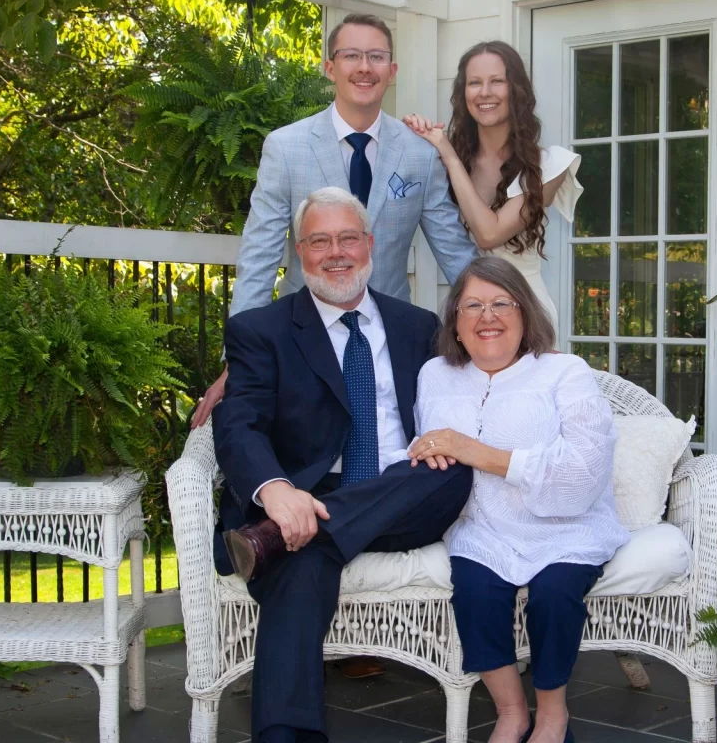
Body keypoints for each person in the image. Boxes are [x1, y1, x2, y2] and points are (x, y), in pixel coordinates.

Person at [212, 187, 473, 743]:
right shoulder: (261, 331)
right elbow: (238, 425)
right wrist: (276, 491)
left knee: (453, 470)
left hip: (404, 495)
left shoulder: (417, 326)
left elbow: (468, 394)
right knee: (301, 568)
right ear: (299, 251)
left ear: (370, 245)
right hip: (301, 497)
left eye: (348, 238)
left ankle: (275, 539)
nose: (336, 252)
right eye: (319, 241)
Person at [191, 12, 476, 428]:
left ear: (391, 70)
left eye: (377, 57)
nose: (364, 67)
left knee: (389, 447)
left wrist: (500, 318)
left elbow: (454, 252)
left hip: (387, 339)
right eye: (351, 56)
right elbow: (260, 255)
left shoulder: (419, 154)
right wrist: (239, 358)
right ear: (330, 67)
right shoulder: (285, 148)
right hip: (302, 337)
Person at [405, 256, 628, 743]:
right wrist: (430, 453)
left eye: (502, 303)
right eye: (473, 306)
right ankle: (511, 713)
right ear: (456, 325)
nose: (488, 316)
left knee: (553, 595)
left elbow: (585, 472)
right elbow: (429, 448)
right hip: (481, 526)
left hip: (565, 525)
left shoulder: (564, 372)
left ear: (525, 314)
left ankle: (552, 715)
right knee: (477, 595)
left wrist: (476, 452)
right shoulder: (435, 375)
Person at [402, 40, 584, 326]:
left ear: (516, 90)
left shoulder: (549, 166)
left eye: (497, 81)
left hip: (526, 311)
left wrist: (447, 155)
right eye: (474, 83)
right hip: (469, 309)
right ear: (463, 94)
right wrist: (413, 133)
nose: (485, 92)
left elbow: (489, 234)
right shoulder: (451, 161)